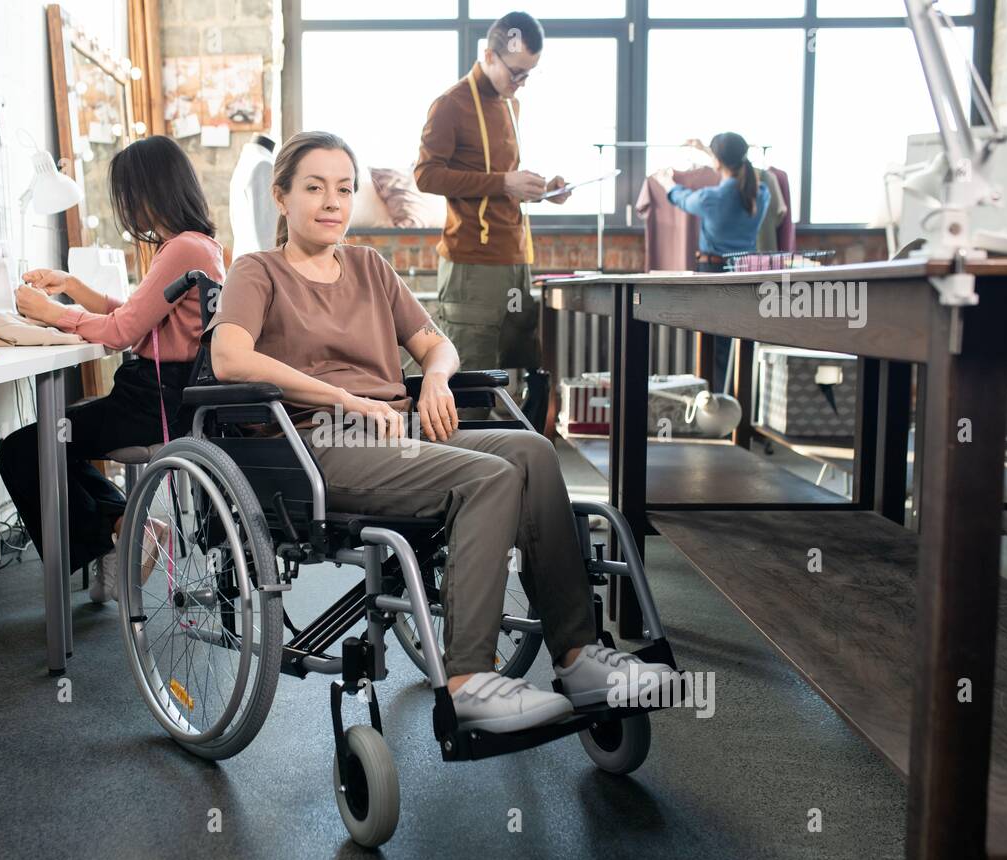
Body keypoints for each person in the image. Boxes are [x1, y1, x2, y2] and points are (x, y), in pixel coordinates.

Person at [208, 131, 670, 733]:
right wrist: (343, 396)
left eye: (344, 189)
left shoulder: (370, 267)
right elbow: (230, 358)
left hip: (395, 433)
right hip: (316, 443)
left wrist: (435, 381)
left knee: (529, 450)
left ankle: (579, 657)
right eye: (315, 188)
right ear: (282, 197)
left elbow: (437, 344)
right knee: (489, 479)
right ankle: (469, 681)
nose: (332, 203)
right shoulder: (258, 271)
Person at [0, 136, 224, 600]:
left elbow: (122, 331)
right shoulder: (197, 246)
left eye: (127, 196)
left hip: (152, 401)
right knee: (51, 442)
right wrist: (73, 288)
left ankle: (120, 530)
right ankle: (127, 524)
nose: (128, 209)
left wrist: (52, 313)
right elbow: (141, 316)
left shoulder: (181, 249)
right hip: (168, 397)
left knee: (26, 448)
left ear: (146, 192)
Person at [415, 11, 571, 416]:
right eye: (516, 72)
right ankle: (465, 475)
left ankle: (511, 473)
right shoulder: (451, 104)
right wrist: (503, 183)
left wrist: (539, 190)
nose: (520, 83)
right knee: (470, 389)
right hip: (472, 265)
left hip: (515, 259)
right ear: (489, 55)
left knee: (512, 381)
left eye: (528, 75)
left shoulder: (510, 104)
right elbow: (426, 175)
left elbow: (499, 178)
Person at [654, 132, 770, 392]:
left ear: (717, 162)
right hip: (745, 275)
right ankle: (734, 408)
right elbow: (733, 170)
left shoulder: (712, 199)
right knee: (737, 345)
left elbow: (681, 197)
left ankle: (715, 407)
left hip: (713, 274)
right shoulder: (761, 194)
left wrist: (665, 181)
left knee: (715, 347)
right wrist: (708, 152)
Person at [230, 133, 279, 257]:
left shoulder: (246, 162)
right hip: (262, 263)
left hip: (246, 260)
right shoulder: (264, 165)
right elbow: (268, 231)